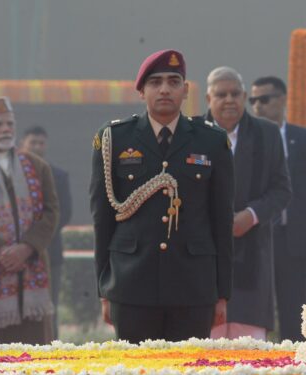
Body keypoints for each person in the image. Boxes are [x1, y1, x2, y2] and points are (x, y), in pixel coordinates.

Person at [89, 50, 234, 343]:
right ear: (142, 91)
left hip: (193, 286)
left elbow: (221, 220)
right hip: (131, 284)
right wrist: (105, 288)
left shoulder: (212, 141)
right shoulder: (114, 139)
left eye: (173, 81)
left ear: (186, 90)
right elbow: (102, 218)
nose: (165, 89)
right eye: (155, 82)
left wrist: (222, 293)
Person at [204, 67, 291, 341]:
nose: (229, 100)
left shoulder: (267, 133)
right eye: (221, 94)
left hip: (252, 252)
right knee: (205, 353)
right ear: (209, 99)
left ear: (244, 96)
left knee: (250, 353)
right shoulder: (192, 133)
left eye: (235, 94)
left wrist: (251, 215)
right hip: (204, 253)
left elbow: (282, 189)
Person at [250, 76, 306, 342]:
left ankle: (295, 367)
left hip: (293, 239)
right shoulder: (247, 139)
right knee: (254, 311)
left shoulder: (305, 139)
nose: (257, 106)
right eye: (253, 100)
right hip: (256, 239)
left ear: (282, 99)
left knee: (294, 311)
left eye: (264, 99)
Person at [0, 97, 59, 344]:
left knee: (33, 358)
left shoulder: (36, 166)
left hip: (32, 270)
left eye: (9, 124)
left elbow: (51, 212)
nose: (5, 130)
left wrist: (27, 247)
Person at [20, 126, 72, 339]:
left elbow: (63, 214)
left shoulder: (58, 175)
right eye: (33, 142)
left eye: (41, 143)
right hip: (11, 255)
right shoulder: (6, 174)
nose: (37, 147)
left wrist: (32, 242)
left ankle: (51, 357)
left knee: (49, 308)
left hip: (49, 252)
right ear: (23, 143)